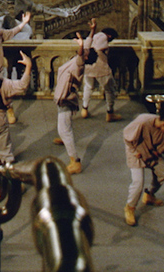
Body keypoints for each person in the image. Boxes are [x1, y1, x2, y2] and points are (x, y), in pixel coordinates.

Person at [121, 110, 164, 227]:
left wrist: (159, 151)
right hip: (135, 151)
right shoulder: (143, 121)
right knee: (138, 182)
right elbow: (127, 135)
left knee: (162, 173)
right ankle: (130, 207)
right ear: (163, 124)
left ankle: (149, 195)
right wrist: (134, 151)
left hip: (151, 153)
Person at [50, 30, 94, 175]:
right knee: (63, 126)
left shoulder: (79, 64)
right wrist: (92, 30)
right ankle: (64, 138)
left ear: (86, 57)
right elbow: (87, 46)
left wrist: (81, 45)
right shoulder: (78, 60)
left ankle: (75, 161)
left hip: (66, 99)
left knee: (65, 130)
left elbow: (82, 53)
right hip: (63, 97)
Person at [80, 19, 121, 121]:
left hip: (88, 66)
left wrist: (93, 30)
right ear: (110, 36)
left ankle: (84, 109)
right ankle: (110, 113)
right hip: (100, 67)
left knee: (88, 87)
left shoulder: (95, 35)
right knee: (109, 89)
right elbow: (99, 47)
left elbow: (87, 44)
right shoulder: (103, 36)